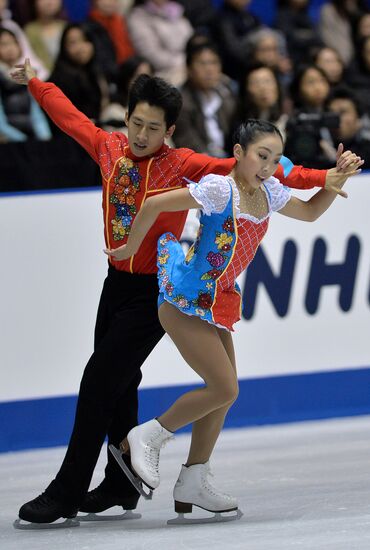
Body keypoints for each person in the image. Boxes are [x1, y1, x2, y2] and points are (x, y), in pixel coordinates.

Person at [10, 59, 360, 527]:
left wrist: (324, 178)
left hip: (158, 289)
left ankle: (66, 491)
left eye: (153, 128)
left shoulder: (186, 164)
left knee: (99, 381)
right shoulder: (108, 146)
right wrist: (35, 81)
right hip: (114, 284)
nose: (141, 135)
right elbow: (69, 116)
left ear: (169, 130)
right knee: (120, 381)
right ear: (127, 118)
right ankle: (121, 484)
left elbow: (267, 168)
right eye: (136, 123)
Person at [104, 119, 362, 519]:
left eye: (275, 159)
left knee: (225, 394)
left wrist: (332, 184)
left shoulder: (269, 192)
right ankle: (146, 437)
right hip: (186, 298)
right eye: (261, 155)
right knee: (223, 389)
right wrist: (129, 246)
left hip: (216, 300)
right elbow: (155, 204)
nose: (268, 165)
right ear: (239, 153)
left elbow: (311, 213)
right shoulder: (218, 188)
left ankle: (193, 478)